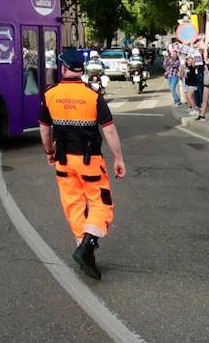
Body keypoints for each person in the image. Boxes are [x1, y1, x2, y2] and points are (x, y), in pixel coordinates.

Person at [38, 48, 127, 281]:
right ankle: (87, 248)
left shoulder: (50, 95)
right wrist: (118, 158)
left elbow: (44, 129)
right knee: (101, 205)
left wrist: (49, 152)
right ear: (81, 70)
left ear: (64, 69)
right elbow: (109, 129)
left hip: (63, 162)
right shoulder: (93, 95)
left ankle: (85, 251)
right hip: (90, 163)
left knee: (74, 206)